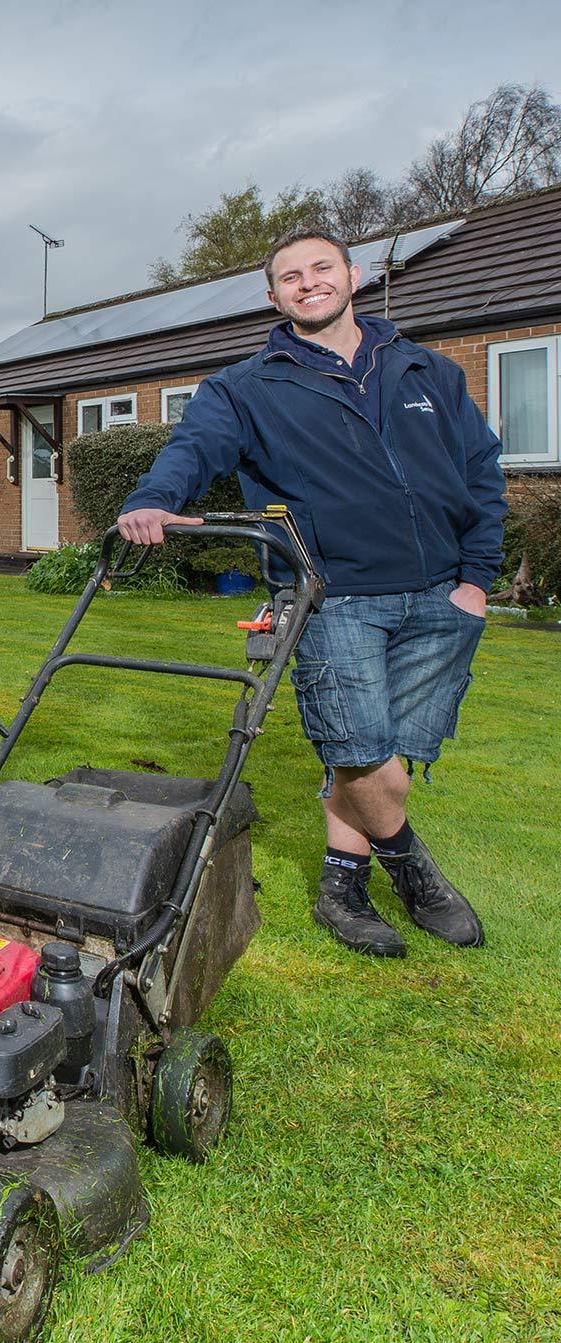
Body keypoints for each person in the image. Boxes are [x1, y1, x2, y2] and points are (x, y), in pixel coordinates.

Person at [117, 227, 505, 958]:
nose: (308, 283)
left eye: (321, 268)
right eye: (290, 276)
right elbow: (191, 449)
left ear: (352, 275)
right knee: (360, 753)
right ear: (273, 296)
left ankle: (341, 887)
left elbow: (482, 473)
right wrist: (155, 500)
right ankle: (414, 871)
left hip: (441, 597)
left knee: (389, 758)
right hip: (335, 597)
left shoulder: (428, 371)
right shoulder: (247, 387)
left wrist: (476, 583)